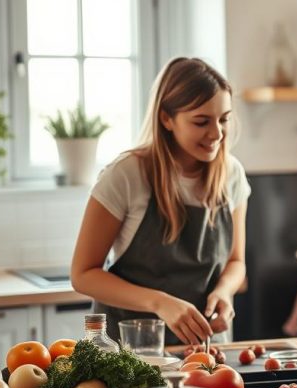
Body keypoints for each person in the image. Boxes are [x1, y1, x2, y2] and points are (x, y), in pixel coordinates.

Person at [71, 57, 249, 347]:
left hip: (202, 350)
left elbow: (236, 261)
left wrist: (225, 292)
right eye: (201, 121)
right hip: (128, 351)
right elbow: (82, 274)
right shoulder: (126, 175)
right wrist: (159, 303)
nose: (217, 133)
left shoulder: (232, 174)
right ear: (166, 118)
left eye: (224, 119)